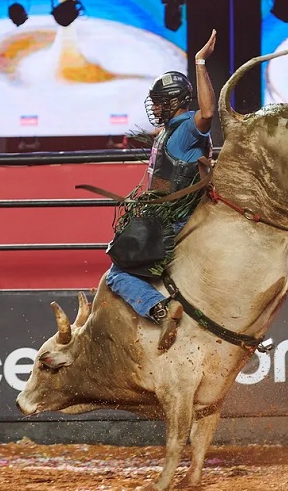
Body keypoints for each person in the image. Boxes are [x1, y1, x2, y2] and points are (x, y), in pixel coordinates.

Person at [105, 30, 217, 352]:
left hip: (171, 223)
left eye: (159, 101)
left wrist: (199, 61)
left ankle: (160, 309)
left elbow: (208, 114)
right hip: (164, 215)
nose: (155, 107)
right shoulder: (170, 132)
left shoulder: (184, 131)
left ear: (174, 102)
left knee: (116, 274)